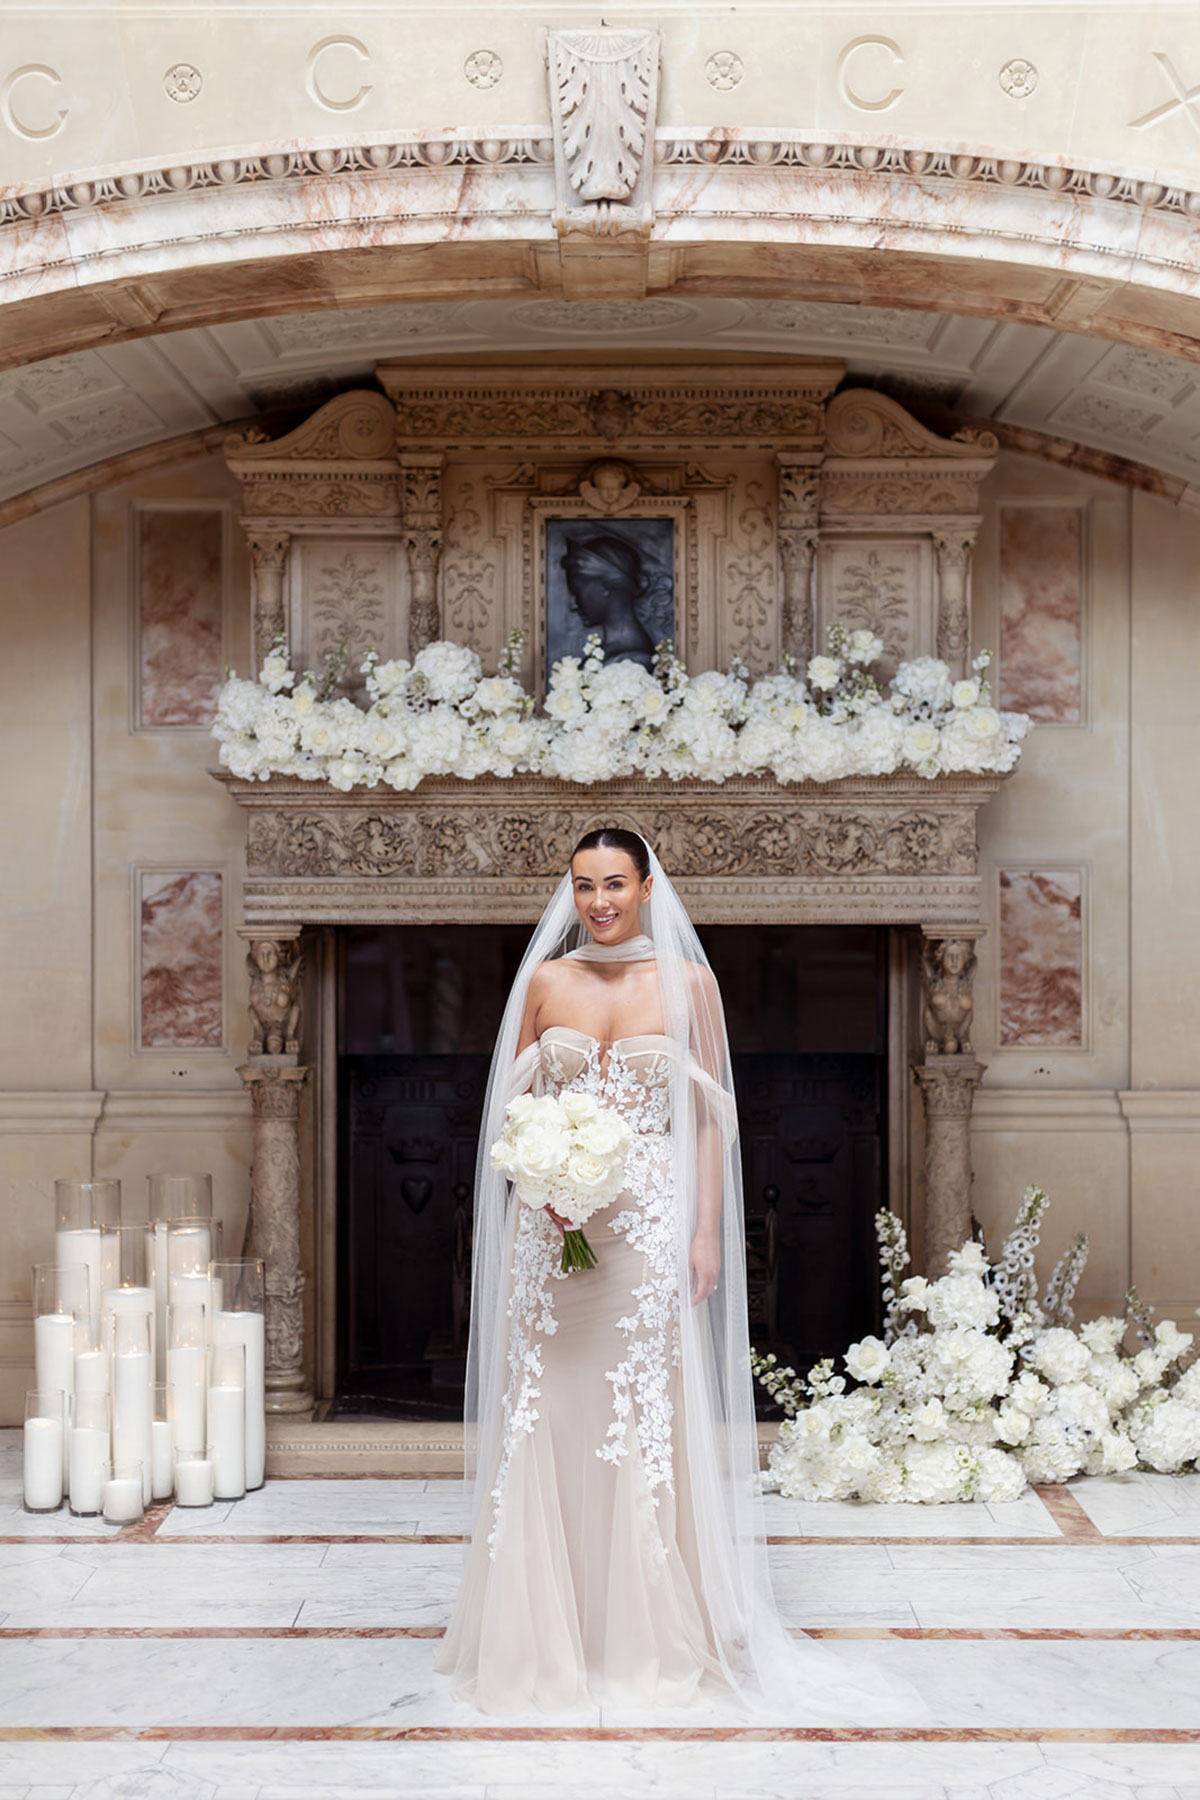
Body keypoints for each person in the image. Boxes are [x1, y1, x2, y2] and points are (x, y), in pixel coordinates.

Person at [435, 828, 920, 1721]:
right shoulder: (546, 983)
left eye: (615, 883)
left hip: (648, 1227)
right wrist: (536, 1183)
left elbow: (704, 1120)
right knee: (545, 1411)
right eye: (584, 886)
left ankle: (643, 1635)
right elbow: (510, 1112)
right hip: (554, 1229)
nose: (600, 902)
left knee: (637, 1416)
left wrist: (706, 1235)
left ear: (648, 884)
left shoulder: (692, 985)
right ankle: (544, 1635)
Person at [559, 533, 671, 668]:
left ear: (606, 587)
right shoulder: (608, 652)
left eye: (577, 592)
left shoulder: (633, 661)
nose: (573, 605)